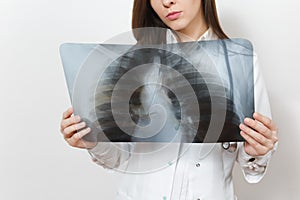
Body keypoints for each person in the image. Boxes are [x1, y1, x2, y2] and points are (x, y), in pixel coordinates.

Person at [60, 0, 278, 199]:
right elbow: (118, 158)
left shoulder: (238, 61)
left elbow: (250, 159)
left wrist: (257, 151)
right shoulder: (134, 64)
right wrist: (94, 142)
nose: (167, 2)